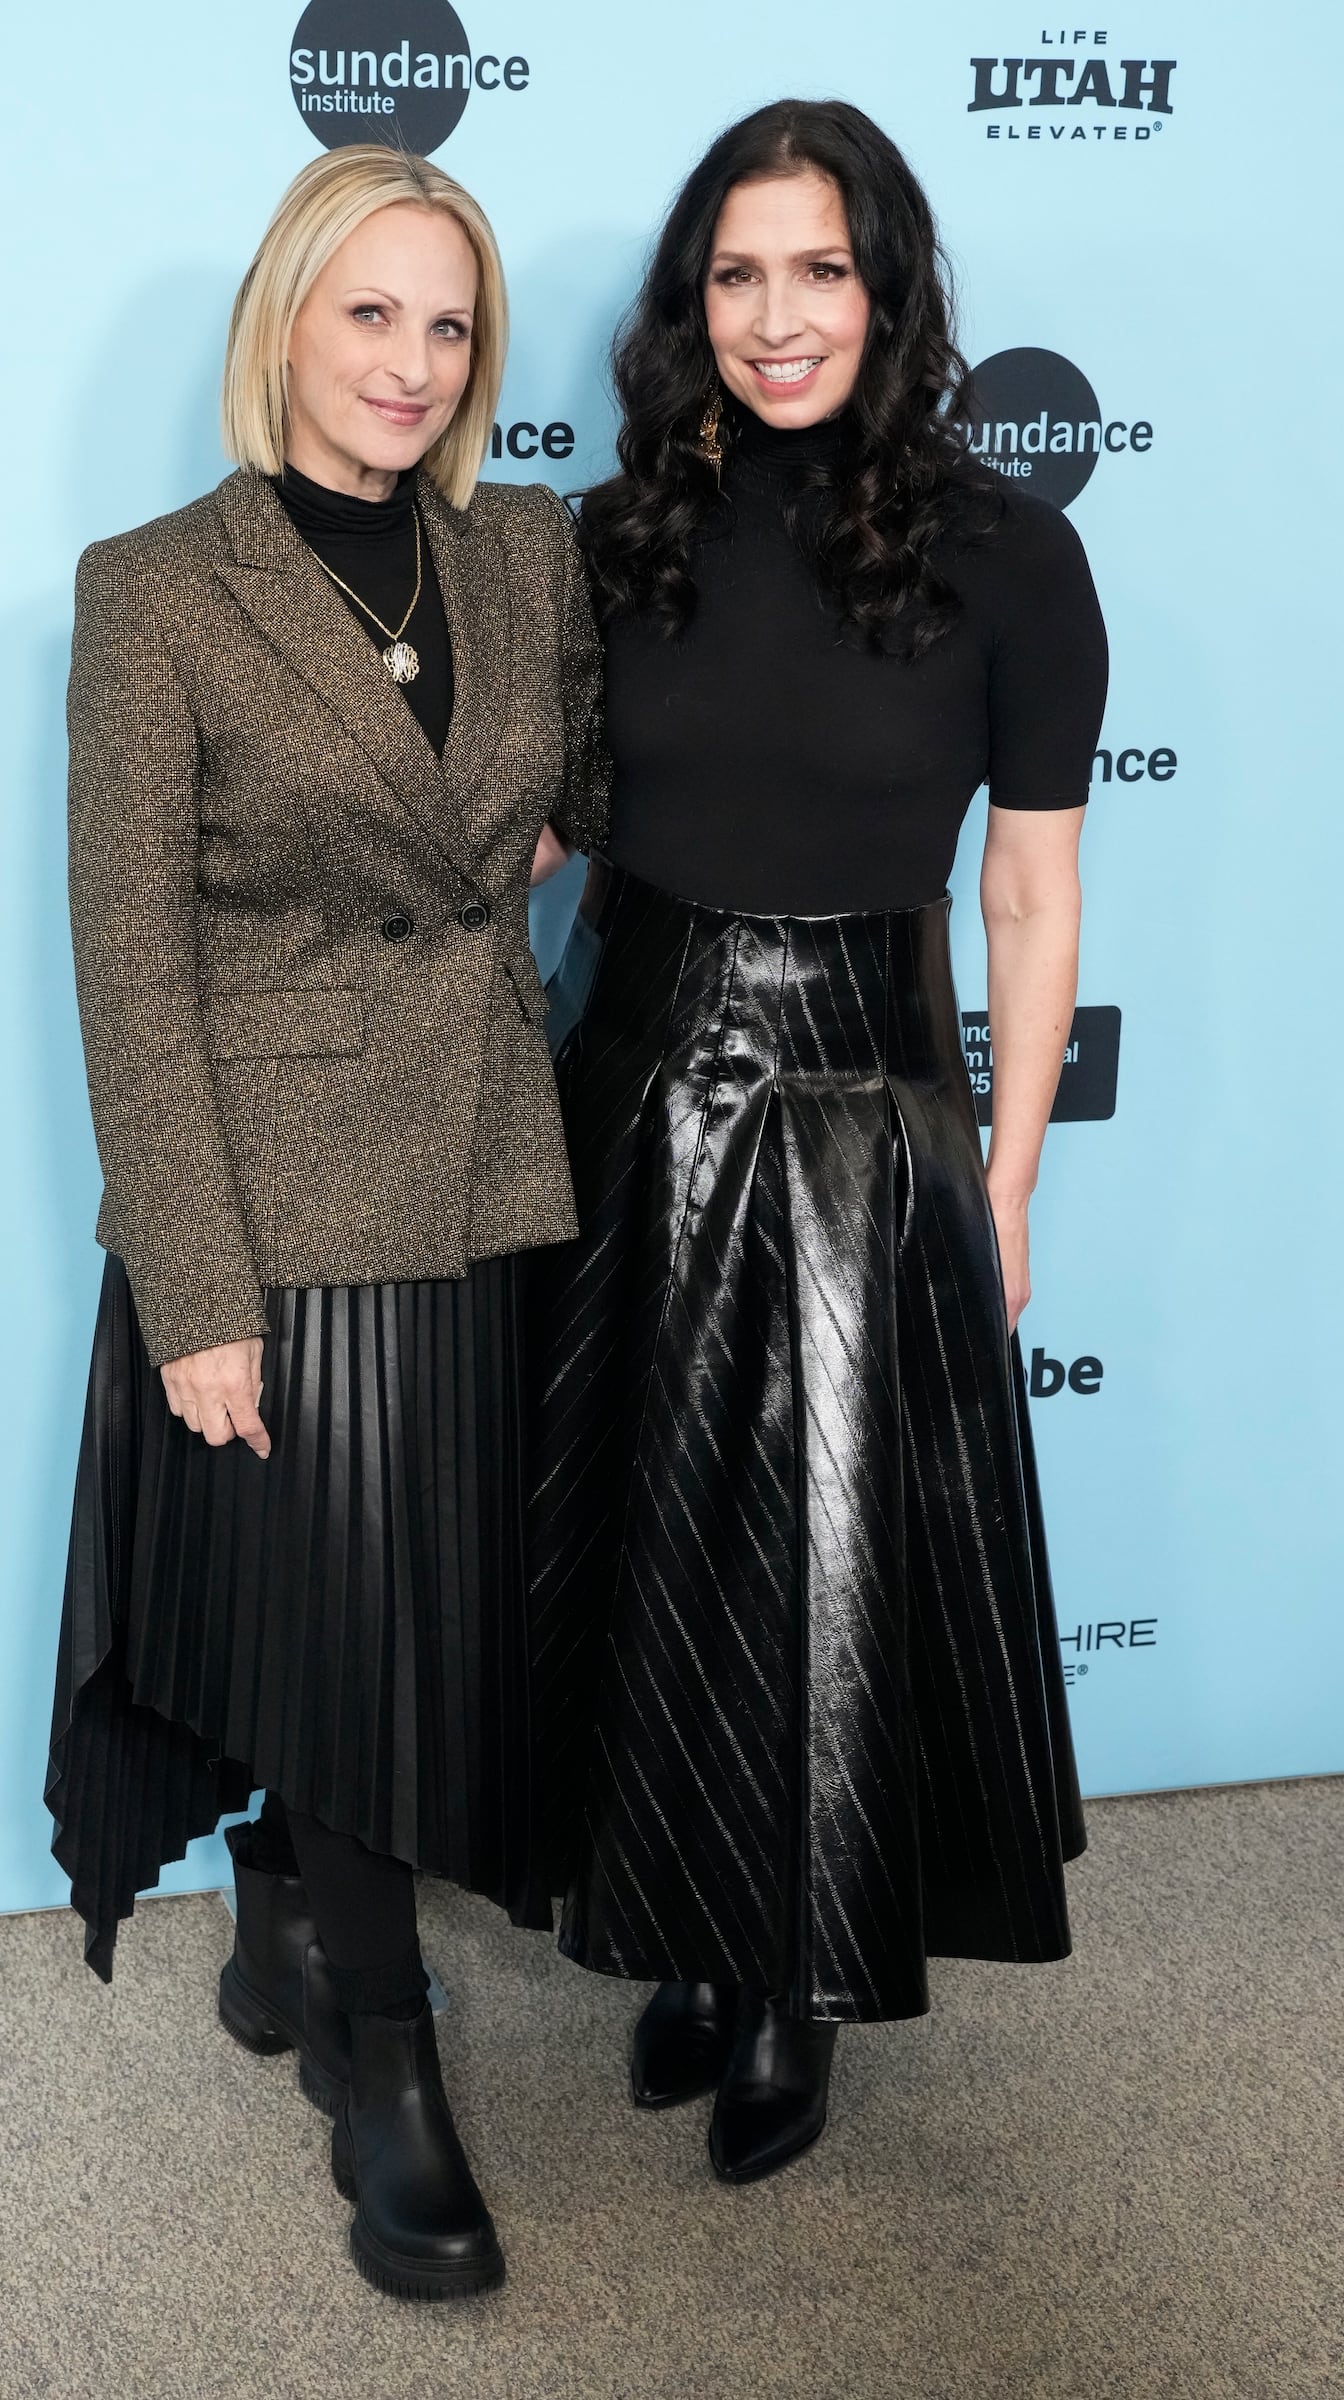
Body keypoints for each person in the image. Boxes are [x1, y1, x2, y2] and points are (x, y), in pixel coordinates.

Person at [46, 144, 607, 2301]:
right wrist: (193, 1290)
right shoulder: (156, 587)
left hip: (477, 1163)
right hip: (271, 1202)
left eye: (447, 323)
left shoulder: (523, 552)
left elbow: (596, 783)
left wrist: (534, 838)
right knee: (355, 1626)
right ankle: (382, 2059)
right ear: (286, 316)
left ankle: (283, 1911)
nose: (410, 361)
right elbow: (128, 964)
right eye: (370, 312)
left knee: (411, 1612)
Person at [529, 98, 1106, 2186]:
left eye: (821, 271)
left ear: (887, 288)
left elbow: (1029, 899)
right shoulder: (616, 542)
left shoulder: (1008, 555)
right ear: (695, 302)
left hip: (867, 1102)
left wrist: (1009, 1177)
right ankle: (681, 1928)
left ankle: (786, 1973)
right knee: (647, 1528)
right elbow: (543, 831)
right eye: (738, 275)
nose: (779, 319)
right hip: (626, 1076)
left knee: (818, 1553)